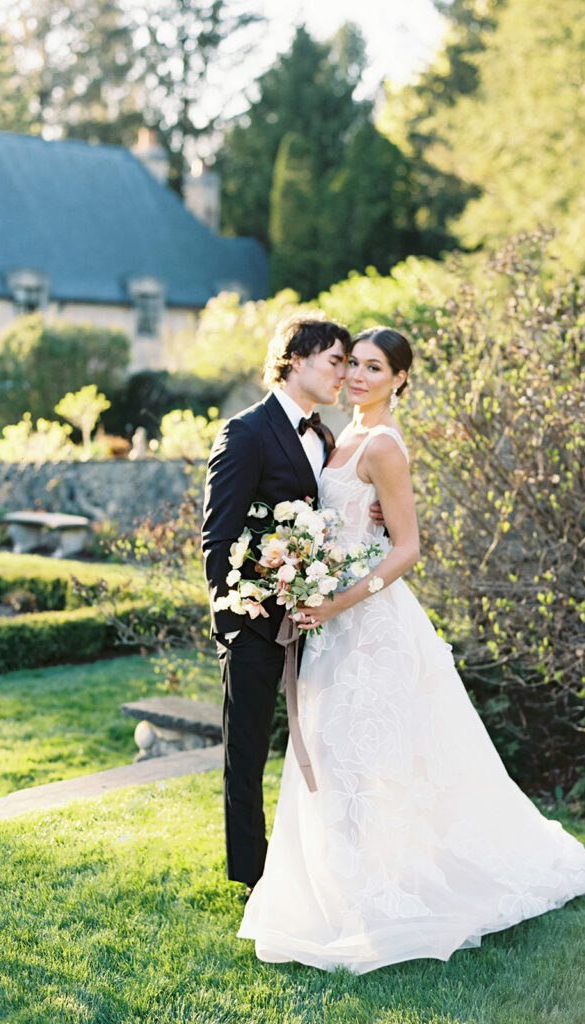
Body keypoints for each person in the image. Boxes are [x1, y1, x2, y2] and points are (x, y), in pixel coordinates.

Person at [238, 326, 585, 973]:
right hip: (328, 624)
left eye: (373, 367)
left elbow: (407, 548)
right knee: (333, 753)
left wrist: (335, 601)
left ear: (399, 380)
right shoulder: (333, 438)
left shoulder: (382, 445)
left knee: (368, 755)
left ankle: (374, 892)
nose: (356, 375)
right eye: (351, 363)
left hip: (368, 623)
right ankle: (337, 884)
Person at [201, 315, 351, 894]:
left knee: (318, 742)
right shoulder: (245, 432)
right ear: (296, 359)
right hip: (255, 627)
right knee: (248, 752)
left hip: (315, 620)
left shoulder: (326, 437)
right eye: (335, 360)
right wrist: (235, 618)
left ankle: (312, 858)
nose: (343, 373)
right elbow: (219, 535)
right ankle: (252, 877)